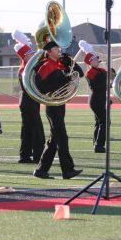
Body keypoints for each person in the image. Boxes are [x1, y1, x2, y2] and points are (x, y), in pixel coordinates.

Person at [33, 40, 84, 179]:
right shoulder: (46, 66)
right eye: (56, 48)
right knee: (62, 137)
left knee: (54, 139)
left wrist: (70, 61)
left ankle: (41, 170)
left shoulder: (60, 64)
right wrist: (59, 83)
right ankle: (67, 170)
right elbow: (40, 86)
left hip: (61, 103)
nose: (59, 49)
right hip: (52, 104)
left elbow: (80, 73)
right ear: (49, 52)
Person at [13, 30, 46, 164]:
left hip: (29, 101)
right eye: (30, 54)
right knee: (36, 129)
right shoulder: (25, 69)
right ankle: (38, 156)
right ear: (25, 56)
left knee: (27, 129)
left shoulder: (28, 67)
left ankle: (25, 155)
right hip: (28, 101)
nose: (33, 55)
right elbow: (33, 85)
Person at [79, 40, 108, 154]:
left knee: (98, 122)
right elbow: (96, 86)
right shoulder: (90, 73)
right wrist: (107, 81)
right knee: (104, 122)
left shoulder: (101, 70)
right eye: (95, 59)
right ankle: (99, 145)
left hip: (100, 98)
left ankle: (96, 143)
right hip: (96, 99)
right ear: (90, 62)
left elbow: (104, 85)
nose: (97, 60)